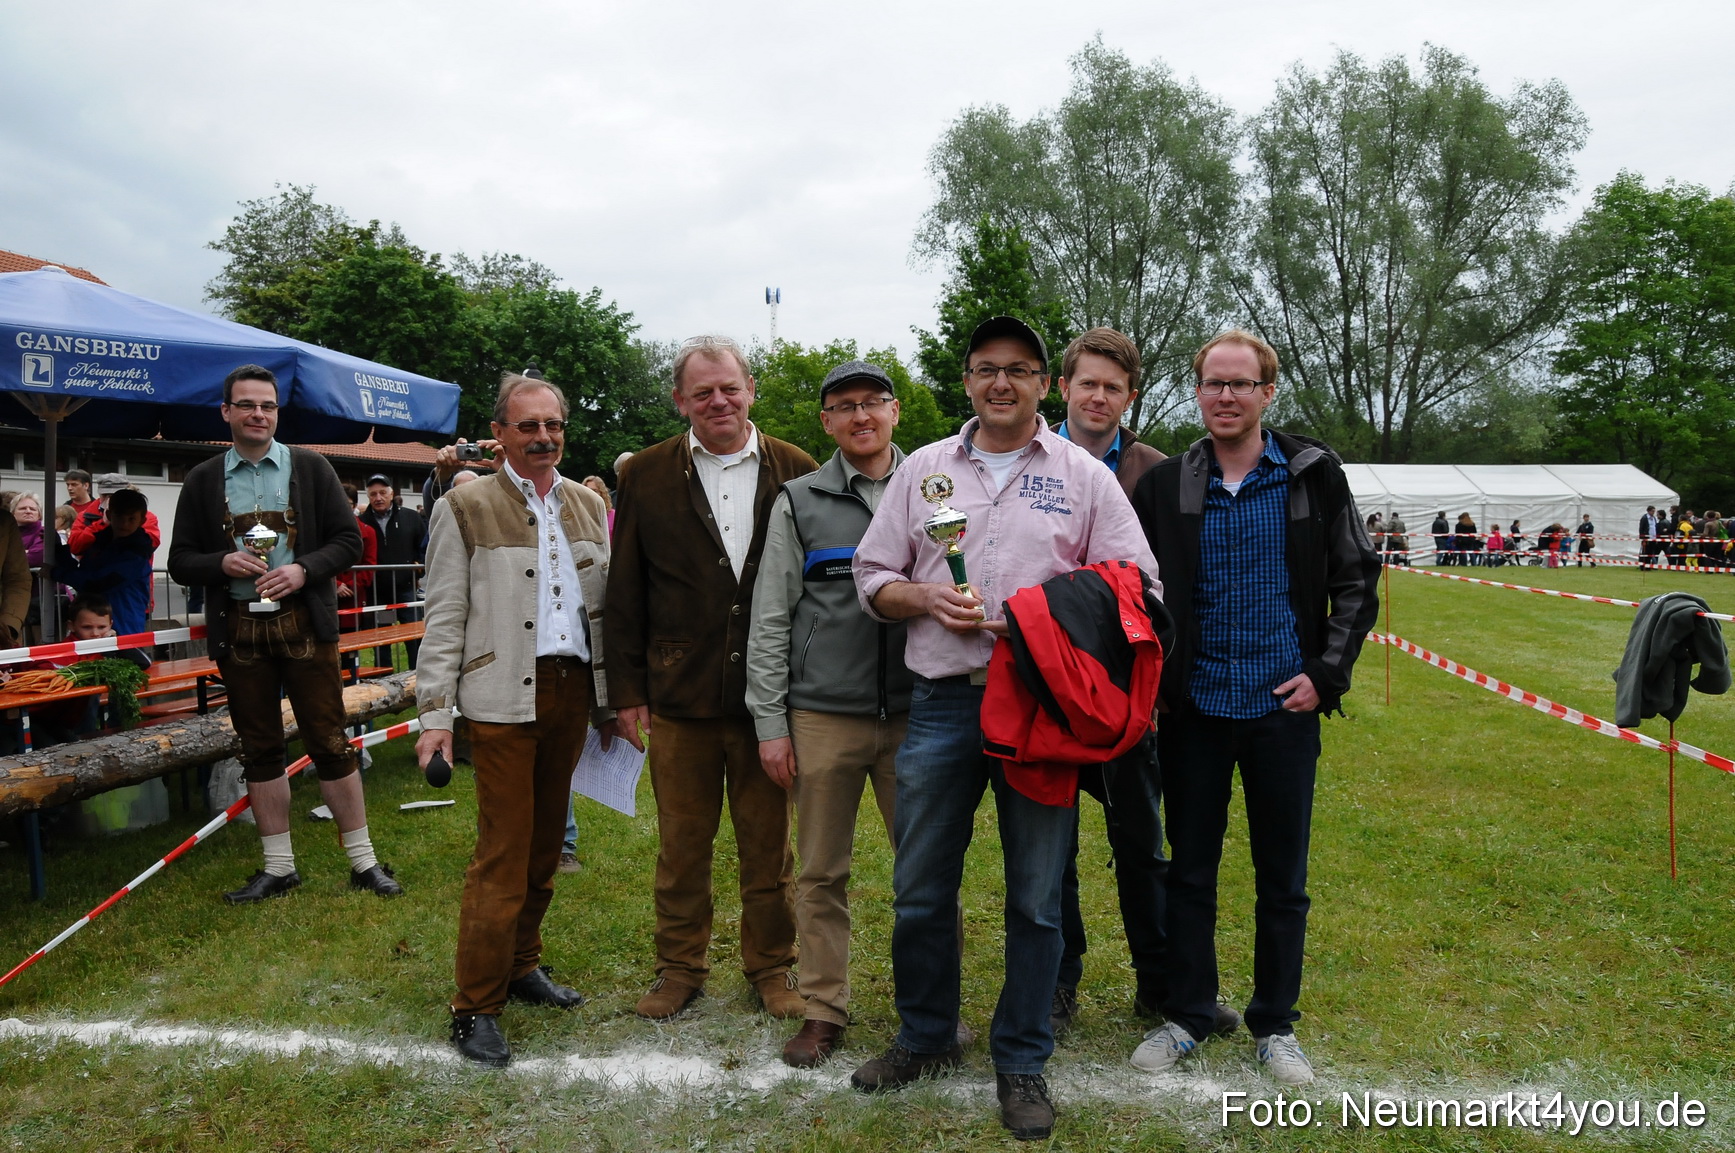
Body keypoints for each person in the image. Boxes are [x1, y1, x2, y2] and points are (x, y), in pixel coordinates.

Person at [849, 316, 1157, 1142]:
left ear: (1043, 385)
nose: (1001, 384)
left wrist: (1039, 616)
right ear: (966, 380)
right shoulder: (921, 470)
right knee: (919, 888)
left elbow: (1137, 580)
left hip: (1036, 706)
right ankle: (924, 1035)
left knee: (1035, 896)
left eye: (1019, 370)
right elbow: (870, 575)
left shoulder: (1083, 475)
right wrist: (922, 597)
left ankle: (1021, 1054)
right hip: (944, 699)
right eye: (986, 369)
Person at [1127, 329, 1379, 1088]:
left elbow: (1356, 578)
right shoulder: (1165, 484)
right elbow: (1136, 595)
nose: (1226, 396)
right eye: (1212, 383)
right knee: (1190, 872)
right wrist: (1155, 689)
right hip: (1195, 708)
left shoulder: (1310, 475)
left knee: (1282, 876)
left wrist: (1323, 675)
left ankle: (1274, 1023)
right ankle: (1189, 1013)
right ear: (1196, 391)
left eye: (1241, 384)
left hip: (1281, 707)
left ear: (1268, 392)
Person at [605, 334, 819, 1023]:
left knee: (770, 849)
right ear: (680, 400)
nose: (718, 401)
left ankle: (772, 967)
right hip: (678, 695)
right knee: (681, 848)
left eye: (729, 387)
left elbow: (818, 592)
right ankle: (679, 967)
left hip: (768, 703)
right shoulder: (644, 473)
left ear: (750, 388)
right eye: (702, 392)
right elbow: (626, 586)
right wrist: (628, 691)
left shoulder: (797, 468)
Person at [416, 372, 618, 1067]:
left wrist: (612, 700)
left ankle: (522, 962)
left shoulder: (589, 506)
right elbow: (442, 615)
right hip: (501, 699)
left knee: (544, 851)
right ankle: (474, 1005)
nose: (542, 437)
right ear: (498, 432)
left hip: (569, 693)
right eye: (527, 426)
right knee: (503, 853)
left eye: (553, 425)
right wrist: (434, 715)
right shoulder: (464, 504)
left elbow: (606, 612)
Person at [168, 364, 399, 904]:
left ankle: (364, 862)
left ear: (277, 412)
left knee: (330, 740)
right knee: (259, 747)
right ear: (226, 412)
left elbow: (348, 542)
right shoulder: (204, 479)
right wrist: (221, 563)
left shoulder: (311, 467)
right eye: (247, 405)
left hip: (304, 626)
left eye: (267, 406)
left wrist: (303, 570)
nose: (258, 414)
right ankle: (279, 866)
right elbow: (180, 561)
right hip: (240, 629)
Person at [745, 359, 911, 1068]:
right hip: (823, 714)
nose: (860, 415)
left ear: (895, 410)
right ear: (826, 422)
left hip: (918, 713)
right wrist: (771, 723)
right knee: (819, 873)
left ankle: (927, 1009)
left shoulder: (936, 484)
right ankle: (822, 1008)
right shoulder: (799, 499)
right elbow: (770, 618)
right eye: (843, 406)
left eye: (872, 401)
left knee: (925, 871)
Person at [1049, 327, 1189, 1039]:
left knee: (1142, 841)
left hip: (1130, 695)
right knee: (1053, 846)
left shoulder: (1158, 472)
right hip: (1047, 689)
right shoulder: (1028, 460)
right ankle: (1058, 980)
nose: (1097, 396)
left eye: (1112, 386)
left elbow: (1177, 585)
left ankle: (1158, 983)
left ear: (1128, 396)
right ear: (1063, 387)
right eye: (1086, 383)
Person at [57, 488, 154, 636]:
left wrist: (59, 571)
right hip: (96, 621)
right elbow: (85, 575)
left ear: (142, 520)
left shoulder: (136, 554)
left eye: (131, 518)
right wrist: (61, 555)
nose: (124, 523)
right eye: (120, 516)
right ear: (109, 515)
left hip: (124, 623)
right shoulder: (100, 543)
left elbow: (96, 582)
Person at [361, 475, 426, 672]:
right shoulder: (362, 521)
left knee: (414, 636)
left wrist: (419, 568)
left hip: (406, 589)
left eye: (382, 493)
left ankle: (417, 678)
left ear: (391, 494)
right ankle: (383, 681)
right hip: (378, 593)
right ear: (368, 497)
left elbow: (423, 546)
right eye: (373, 494)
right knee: (382, 639)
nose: (378, 497)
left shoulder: (410, 517)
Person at [336, 484, 377, 632]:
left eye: (348, 504)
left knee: (353, 644)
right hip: (329, 596)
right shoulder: (324, 531)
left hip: (354, 596)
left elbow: (369, 566)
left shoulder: (368, 532)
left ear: (354, 505)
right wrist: (335, 585)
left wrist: (348, 586)